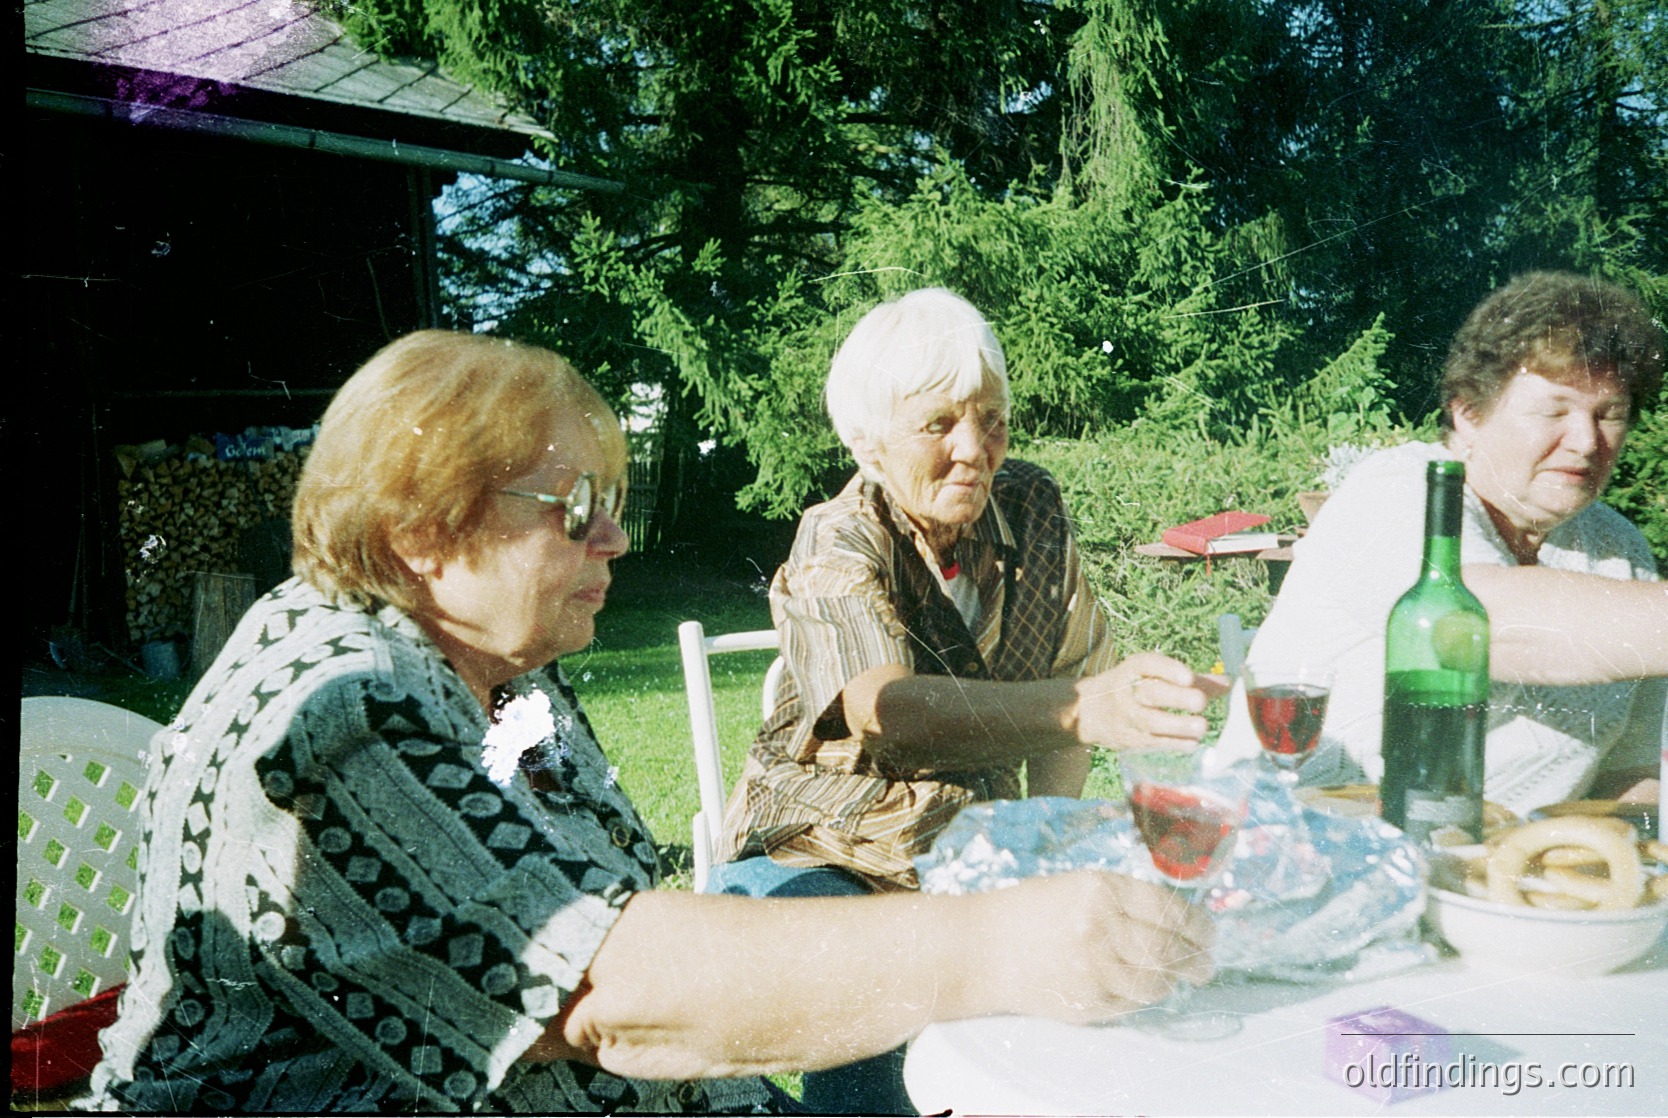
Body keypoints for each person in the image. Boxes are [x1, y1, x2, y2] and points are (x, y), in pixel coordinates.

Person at [85, 330, 1214, 1114]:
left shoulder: (502, 671)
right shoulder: (332, 706)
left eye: (611, 507)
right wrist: (1007, 941)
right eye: (574, 509)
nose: (615, 541)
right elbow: (600, 989)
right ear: (420, 530)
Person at [710, 288, 1224, 1111]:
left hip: (969, 854)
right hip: (828, 853)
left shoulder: (1030, 504)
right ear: (868, 443)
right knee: (868, 1013)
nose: (974, 449)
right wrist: (1080, 706)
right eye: (938, 423)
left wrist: (1040, 843)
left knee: (1144, 969)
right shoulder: (838, 536)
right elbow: (888, 711)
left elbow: (1072, 664)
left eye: (992, 419)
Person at [1212, 271, 1666, 817]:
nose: (1587, 440)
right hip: (1297, 848)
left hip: (1497, 882)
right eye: (1554, 410)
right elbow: (1487, 625)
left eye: (1610, 414)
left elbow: (1631, 773)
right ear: (1468, 414)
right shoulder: (1399, 493)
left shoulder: (1621, 550)